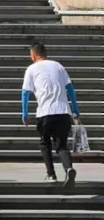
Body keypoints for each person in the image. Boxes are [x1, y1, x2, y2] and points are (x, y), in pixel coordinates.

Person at [23, 41, 81, 186]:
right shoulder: (58, 66)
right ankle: (69, 169)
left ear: (33, 55)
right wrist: (75, 108)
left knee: (45, 143)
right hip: (63, 112)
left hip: (45, 113)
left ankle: (51, 174)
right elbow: (70, 88)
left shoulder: (31, 69)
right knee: (62, 146)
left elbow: (25, 93)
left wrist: (24, 113)